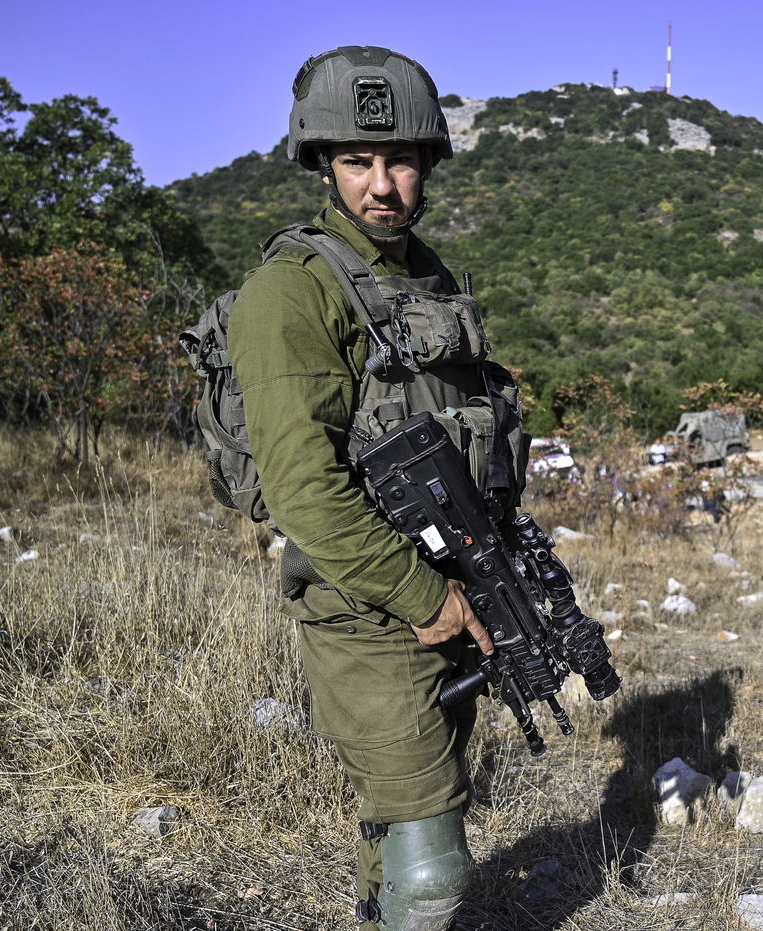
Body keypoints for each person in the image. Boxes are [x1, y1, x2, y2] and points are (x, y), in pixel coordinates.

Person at [227, 47, 519, 931]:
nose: (382, 184)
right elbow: (303, 488)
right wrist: (423, 595)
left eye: (400, 160)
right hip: (369, 606)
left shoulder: (425, 281)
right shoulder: (290, 292)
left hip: (456, 584)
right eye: (358, 161)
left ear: (428, 163)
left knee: (411, 825)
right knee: (433, 873)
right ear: (324, 165)